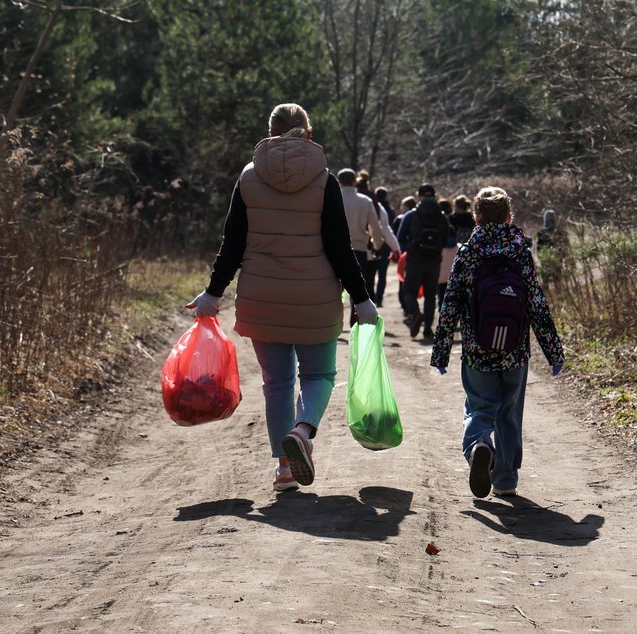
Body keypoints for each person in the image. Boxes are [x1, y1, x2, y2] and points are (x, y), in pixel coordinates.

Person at [186, 103, 378, 493]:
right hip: (315, 297)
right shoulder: (324, 180)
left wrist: (213, 293)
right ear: (308, 132)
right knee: (319, 375)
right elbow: (340, 248)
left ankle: (285, 468)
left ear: (271, 132)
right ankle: (303, 432)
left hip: (261, 296)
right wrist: (362, 299)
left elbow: (232, 244)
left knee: (276, 382)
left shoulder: (248, 178)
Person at [430, 186, 564, 499]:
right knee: (509, 411)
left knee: (479, 406)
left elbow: (451, 302)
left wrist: (441, 352)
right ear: (508, 216)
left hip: (478, 348)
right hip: (515, 349)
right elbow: (535, 302)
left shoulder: (468, 252)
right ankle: (505, 480)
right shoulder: (521, 251)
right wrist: (553, 351)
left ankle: (479, 445)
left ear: (476, 218)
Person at [396, 183, 449, 340]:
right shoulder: (442, 216)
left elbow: (400, 237)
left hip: (414, 261)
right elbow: (445, 241)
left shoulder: (412, 215)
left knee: (408, 292)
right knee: (430, 295)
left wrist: (410, 249)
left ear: (418, 196)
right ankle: (427, 329)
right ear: (434, 196)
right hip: (433, 262)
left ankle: (415, 313)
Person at [338, 168, 383, 325]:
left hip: (334, 249)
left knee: (335, 289)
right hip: (358, 249)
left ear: (339, 182)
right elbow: (375, 227)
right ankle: (354, 322)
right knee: (356, 289)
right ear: (354, 181)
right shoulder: (365, 201)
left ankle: (333, 323)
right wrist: (377, 245)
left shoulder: (332, 198)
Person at [534, 208, 568, 281]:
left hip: (545, 260)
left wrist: (541, 258)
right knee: (557, 279)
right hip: (557, 259)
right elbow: (564, 247)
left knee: (546, 280)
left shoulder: (541, 233)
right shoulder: (559, 232)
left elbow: (538, 249)